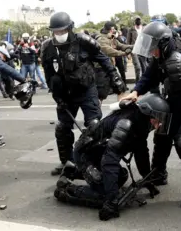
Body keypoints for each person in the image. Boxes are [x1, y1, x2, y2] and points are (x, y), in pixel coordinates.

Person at [120, 22, 181, 210]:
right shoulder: (162, 53)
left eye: (153, 47)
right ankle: (158, 173)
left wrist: (161, 112)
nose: (151, 52)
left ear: (164, 43)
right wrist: (136, 92)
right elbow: (150, 76)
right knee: (163, 132)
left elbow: (178, 94)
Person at [54, 93, 171, 221]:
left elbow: (141, 151)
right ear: (148, 113)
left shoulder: (141, 122)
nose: (159, 124)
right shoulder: (126, 125)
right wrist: (112, 201)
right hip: (85, 155)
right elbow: (109, 161)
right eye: (158, 119)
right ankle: (66, 189)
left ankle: (73, 171)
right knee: (105, 194)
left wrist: (147, 180)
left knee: (121, 176)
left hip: (99, 155)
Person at [40, 12, 126, 176]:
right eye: (56, 32)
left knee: (94, 126)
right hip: (66, 94)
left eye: (62, 31)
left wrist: (115, 77)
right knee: (62, 128)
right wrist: (57, 96)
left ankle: (97, 161)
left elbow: (103, 59)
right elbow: (49, 74)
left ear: (70, 28)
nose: (59, 34)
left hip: (87, 89)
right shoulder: (48, 47)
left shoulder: (83, 41)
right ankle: (67, 162)